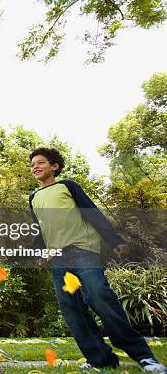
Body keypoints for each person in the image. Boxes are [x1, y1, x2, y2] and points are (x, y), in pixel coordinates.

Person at [29, 147, 164, 372]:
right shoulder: (33, 197)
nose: (35, 166)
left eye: (40, 162)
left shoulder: (67, 186)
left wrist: (113, 239)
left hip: (82, 250)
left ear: (54, 166)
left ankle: (143, 356)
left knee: (98, 294)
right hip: (57, 259)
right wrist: (39, 252)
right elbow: (39, 228)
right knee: (72, 308)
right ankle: (100, 360)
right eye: (32, 164)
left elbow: (91, 211)